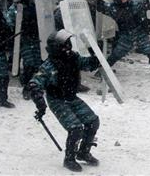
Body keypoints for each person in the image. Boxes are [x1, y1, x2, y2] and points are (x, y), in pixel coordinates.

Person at [28, 30, 102, 172]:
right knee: (75, 129)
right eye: (64, 46)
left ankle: (83, 152)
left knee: (93, 122)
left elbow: (89, 64)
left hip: (71, 97)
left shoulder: (73, 58)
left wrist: (94, 51)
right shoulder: (49, 66)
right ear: (56, 48)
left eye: (69, 45)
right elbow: (34, 84)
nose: (68, 48)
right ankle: (69, 159)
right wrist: (40, 102)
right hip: (57, 100)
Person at [97, 0, 150, 75]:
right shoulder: (112, 9)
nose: (124, 1)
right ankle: (101, 71)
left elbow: (145, 5)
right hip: (126, 36)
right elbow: (100, 8)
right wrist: (98, 1)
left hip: (139, 33)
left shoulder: (135, 4)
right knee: (115, 55)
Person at [6, 0, 41, 100]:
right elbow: (10, 24)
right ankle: (26, 87)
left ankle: (33, 85)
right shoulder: (15, 7)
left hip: (35, 38)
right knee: (29, 63)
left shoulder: (34, 5)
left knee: (37, 63)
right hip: (23, 39)